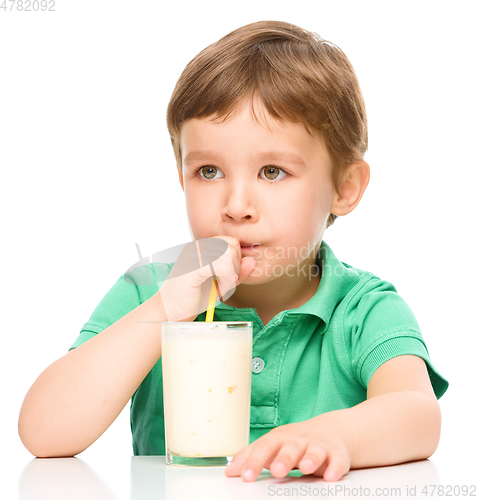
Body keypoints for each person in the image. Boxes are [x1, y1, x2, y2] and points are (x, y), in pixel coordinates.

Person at [18, 20, 448, 482]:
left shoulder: (364, 309)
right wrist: (163, 311)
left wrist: (335, 435)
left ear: (345, 187)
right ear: (182, 178)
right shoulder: (150, 291)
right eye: (208, 171)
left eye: (272, 172)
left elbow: (417, 414)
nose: (236, 206)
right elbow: (44, 434)